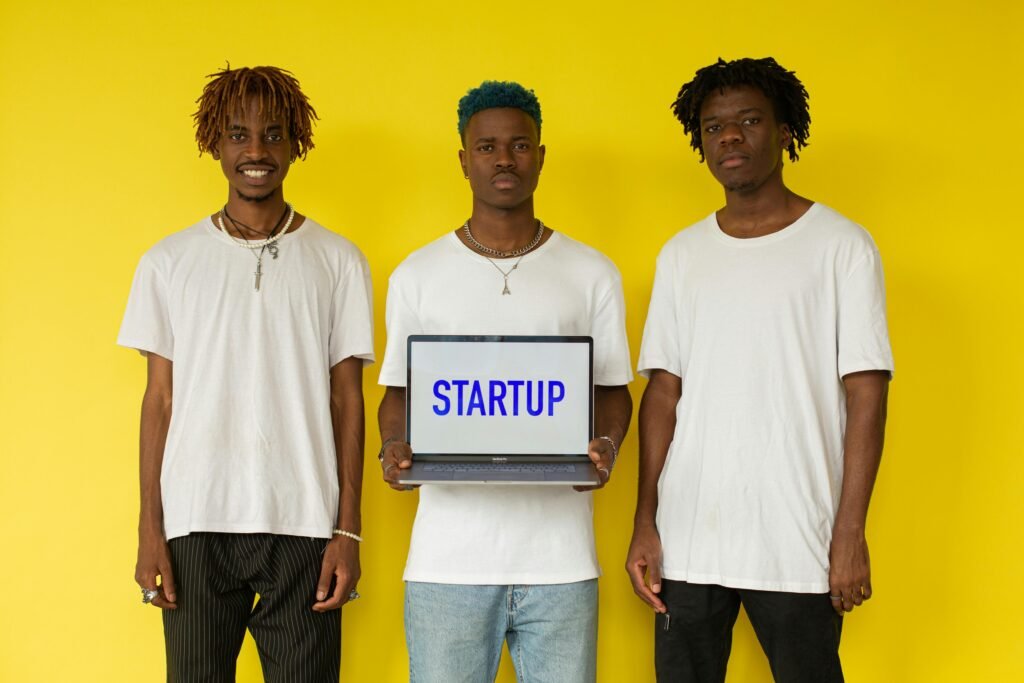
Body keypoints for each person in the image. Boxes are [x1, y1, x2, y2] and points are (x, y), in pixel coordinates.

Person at [626, 57, 894, 683]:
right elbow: (663, 394)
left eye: (749, 121)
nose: (730, 137)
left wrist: (850, 533)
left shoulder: (841, 246)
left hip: (797, 538)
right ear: (700, 143)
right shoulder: (683, 255)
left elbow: (867, 394)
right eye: (714, 126)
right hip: (690, 540)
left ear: (784, 132)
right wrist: (646, 521)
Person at [118, 65, 374, 682]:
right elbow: (159, 399)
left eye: (273, 134)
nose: (256, 151)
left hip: (305, 523)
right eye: (238, 134)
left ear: (296, 144)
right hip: (196, 522)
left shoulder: (338, 260)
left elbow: (348, 399)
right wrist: (151, 529)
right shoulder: (168, 261)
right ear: (214, 142)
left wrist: (348, 530)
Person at [377, 80, 633, 683]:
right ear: (463, 160)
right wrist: (395, 449)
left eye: (519, 146)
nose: (503, 159)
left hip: (562, 564)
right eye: (487, 146)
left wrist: (608, 447)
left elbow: (614, 391)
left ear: (541, 156)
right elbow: (398, 394)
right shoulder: (418, 274)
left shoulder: (592, 272)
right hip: (447, 564)